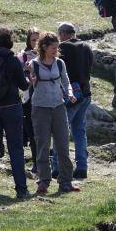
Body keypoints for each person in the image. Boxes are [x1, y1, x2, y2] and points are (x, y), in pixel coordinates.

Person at [0, 28, 31, 199]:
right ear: (9, 41)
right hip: (11, 107)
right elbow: (24, 86)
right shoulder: (12, 60)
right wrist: (28, 77)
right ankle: (21, 189)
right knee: (16, 149)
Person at [29, 33, 80, 194]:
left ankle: (66, 181)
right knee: (43, 145)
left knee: (63, 145)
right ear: (44, 47)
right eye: (53, 48)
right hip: (40, 108)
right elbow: (31, 84)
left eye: (57, 47)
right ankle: (43, 181)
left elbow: (65, 81)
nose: (56, 50)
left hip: (58, 107)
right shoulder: (34, 64)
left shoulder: (60, 63)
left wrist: (69, 93)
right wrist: (31, 79)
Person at [52, 22, 93, 179]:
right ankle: (82, 166)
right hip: (86, 93)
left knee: (60, 131)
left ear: (62, 33)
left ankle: (57, 167)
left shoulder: (64, 48)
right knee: (79, 131)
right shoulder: (87, 47)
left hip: (70, 95)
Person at [18, 28, 40, 176]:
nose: (36, 43)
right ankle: (34, 163)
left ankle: (40, 162)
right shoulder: (22, 57)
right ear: (28, 41)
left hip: (42, 98)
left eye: (38, 40)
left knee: (41, 132)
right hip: (27, 99)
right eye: (33, 40)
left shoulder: (47, 56)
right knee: (30, 132)